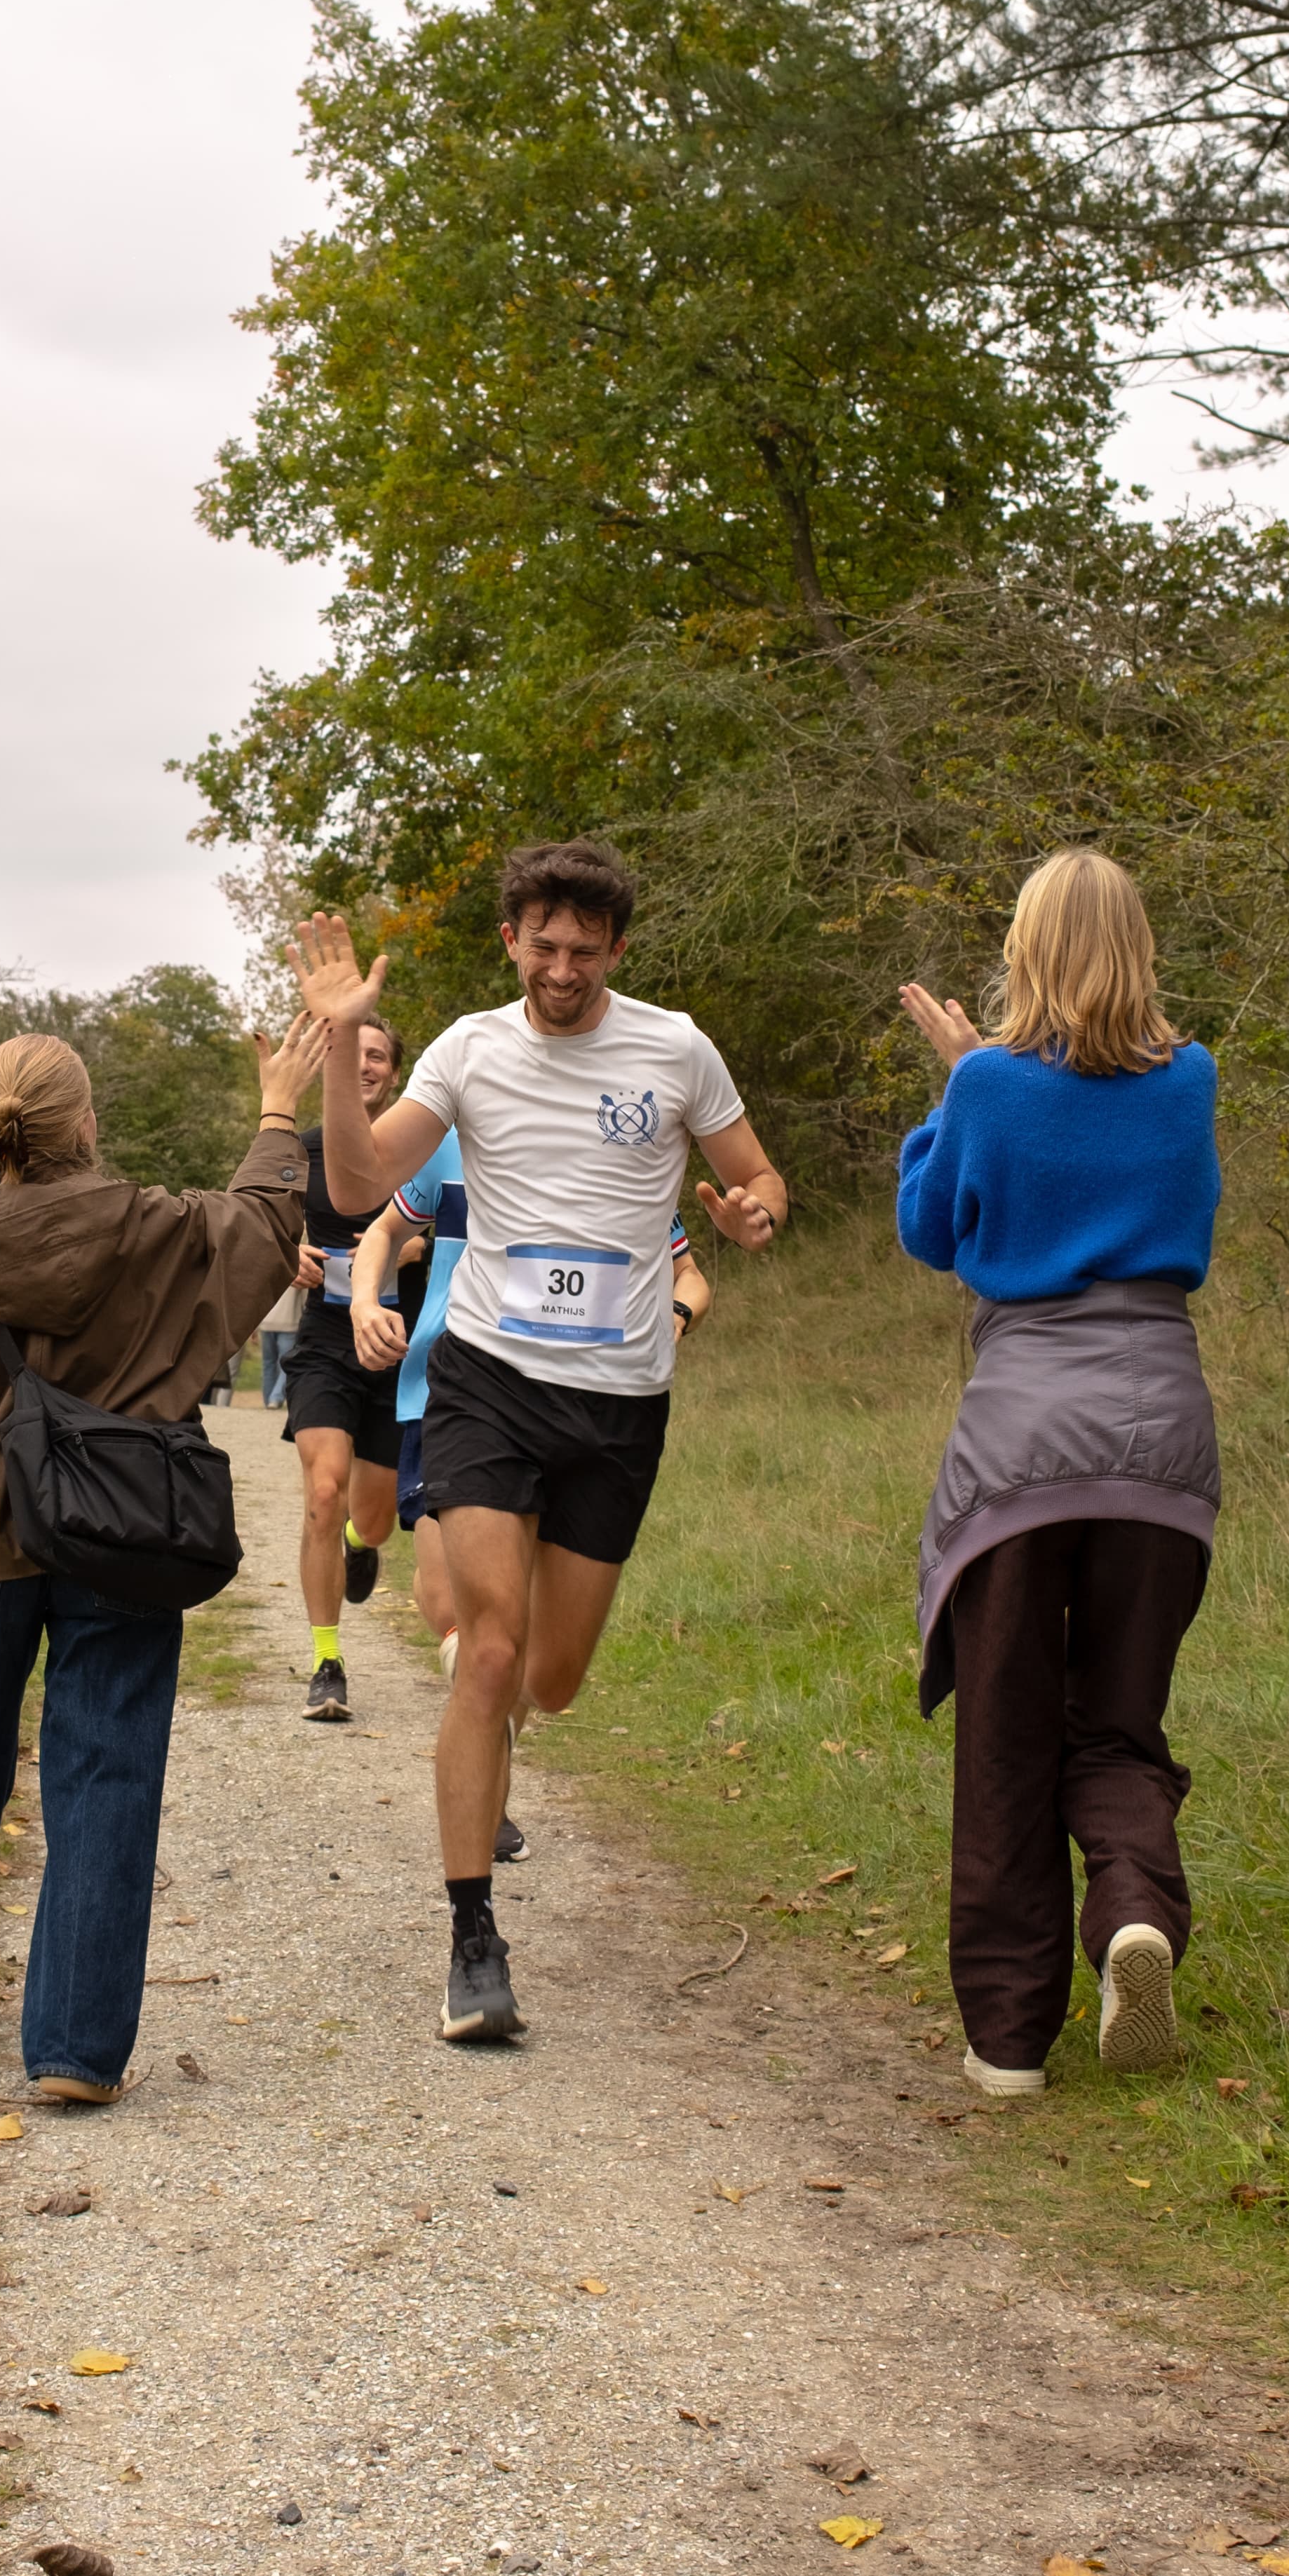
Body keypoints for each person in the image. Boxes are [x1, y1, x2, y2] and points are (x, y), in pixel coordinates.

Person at [293, 841, 785, 2045]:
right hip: (486, 1380)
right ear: (509, 941)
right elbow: (359, 1191)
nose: (559, 969)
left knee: (550, 1681)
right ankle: (471, 1940)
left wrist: (750, 1214)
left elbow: (756, 1177)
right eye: (540, 945)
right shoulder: (467, 1049)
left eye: (582, 950)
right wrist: (337, 1059)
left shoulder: (675, 1051)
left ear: (615, 950)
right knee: (489, 1649)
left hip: (617, 1400)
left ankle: (505, 1746)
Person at [0, 1017, 319, 2101]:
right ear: (87, 1124)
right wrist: (273, 1111)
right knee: (105, 1769)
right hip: (122, 1524)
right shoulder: (154, 1226)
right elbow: (258, 1230)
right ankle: (74, 2048)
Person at [896, 846, 1223, 2101]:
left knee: (1006, 1736)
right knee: (1117, 1720)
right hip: (1161, 1429)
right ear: (1136, 947)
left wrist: (953, 1092)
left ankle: (1007, 2042)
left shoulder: (983, 1084)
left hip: (1022, 1442)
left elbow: (931, 1233)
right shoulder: (1187, 1078)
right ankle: (1132, 1913)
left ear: (1025, 948)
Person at [351, 1164, 711, 1866]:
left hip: (571, 1405)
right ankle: (485, 1728)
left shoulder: (610, 1151)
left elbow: (689, 1273)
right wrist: (368, 1297)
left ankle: (489, 1773)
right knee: (454, 1608)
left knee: (529, 1653)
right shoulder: (456, 1126)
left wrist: (675, 1314)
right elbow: (385, 1227)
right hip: (444, 1389)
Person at [282, 1017, 409, 1722]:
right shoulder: (303, 1151)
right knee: (324, 1493)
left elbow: (457, 1228)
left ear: (392, 1072)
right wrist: (289, 1254)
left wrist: (408, 1250)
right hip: (328, 1339)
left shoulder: (414, 1144)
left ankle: (362, 1544)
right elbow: (262, 1226)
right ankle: (326, 1661)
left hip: (397, 1342)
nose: (365, 1065)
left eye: (378, 1056)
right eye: (353, 1052)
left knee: (374, 1515)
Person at [257, 1280, 303, 1411]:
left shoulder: (269, 1270)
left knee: (268, 1363)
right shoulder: (299, 1268)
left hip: (267, 1321)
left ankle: (268, 1400)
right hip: (289, 1322)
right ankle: (275, 1398)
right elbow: (306, 1300)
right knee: (286, 1363)